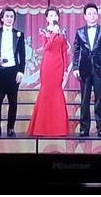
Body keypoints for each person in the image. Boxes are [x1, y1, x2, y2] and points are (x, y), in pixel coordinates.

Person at [27, 7, 70, 136]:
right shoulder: (43, 31)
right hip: (47, 64)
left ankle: (59, 128)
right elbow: (46, 47)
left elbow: (64, 52)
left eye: (55, 15)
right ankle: (41, 127)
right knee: (46, 91)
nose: (53, 17)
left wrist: (65, 69)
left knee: (57, 91)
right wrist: (53, 34)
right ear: (47, 18)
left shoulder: (63, 32)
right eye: (51, 15)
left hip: (58, 65)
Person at [72, 3, 101, 137]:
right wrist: (75, 67)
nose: (92, 16)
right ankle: (84, 129)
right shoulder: (79, 32)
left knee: (100, 99)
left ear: (98, 15)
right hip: (84, 69)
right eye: (89, 13)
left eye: (94, 13)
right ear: (85, 16)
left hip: (100, 69)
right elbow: (76, 51)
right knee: (85, 100)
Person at [0, 7, 25, 138]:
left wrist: (21, 71)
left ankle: (10, 128)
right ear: (2, 18)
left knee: (13, 102)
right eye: (7, 16)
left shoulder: (19, 34)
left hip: (13, 72)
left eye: (11, 16)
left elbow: (22, 55)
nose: (9, 19)